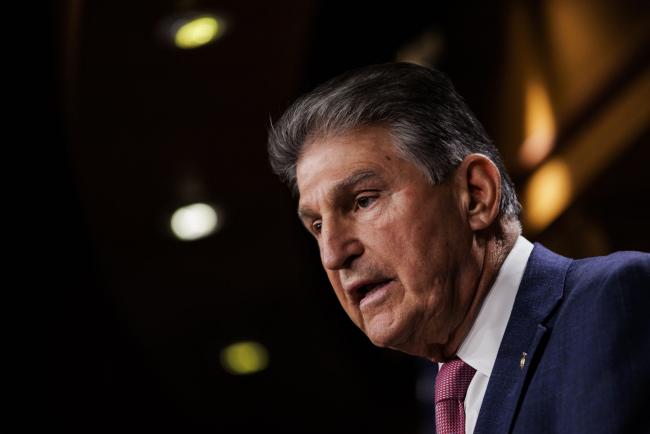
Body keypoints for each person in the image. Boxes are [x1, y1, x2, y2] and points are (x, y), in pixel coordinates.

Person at [266, 62, 650, 433]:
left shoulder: (614, 301)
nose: (334, 254)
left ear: (475, 195)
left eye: (364, 200)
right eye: (317, 225)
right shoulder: (446, 403)